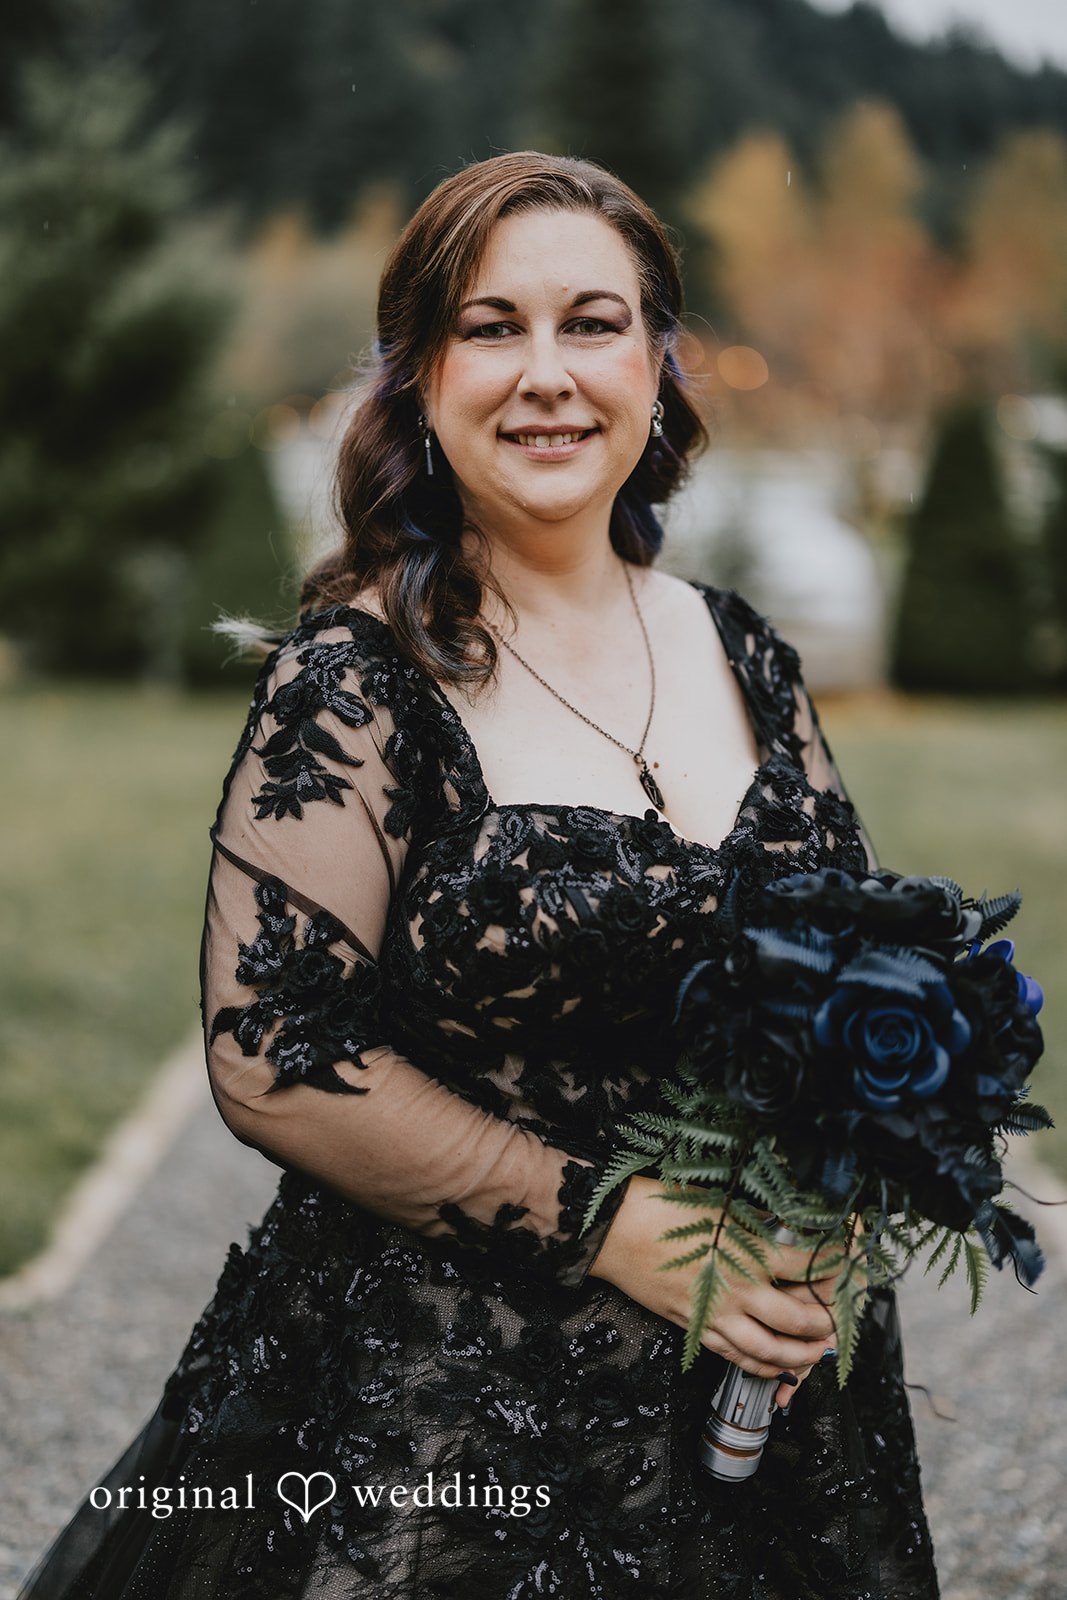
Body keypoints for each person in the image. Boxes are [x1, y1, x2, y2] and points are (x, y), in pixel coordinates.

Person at [15, 151, 940, 1600]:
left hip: (762, 1397)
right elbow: (280, 1056)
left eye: (593, 322)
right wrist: (613, 1225)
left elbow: (854, 978)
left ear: (657, 361)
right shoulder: (359, 676)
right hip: (456, 1400)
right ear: (421, 381)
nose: (548, 374)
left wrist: (850, 1182)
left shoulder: (745, 650)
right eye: (491, 327)